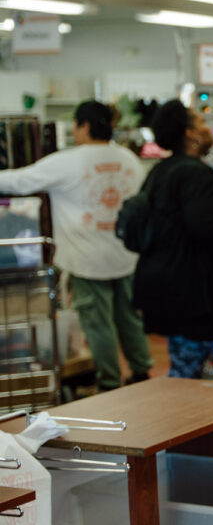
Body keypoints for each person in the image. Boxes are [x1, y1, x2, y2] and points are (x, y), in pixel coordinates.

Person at [0, 100, 152, 390]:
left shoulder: (68, 161)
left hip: (86, 259)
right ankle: (141, 371)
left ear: (84, 126)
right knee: (129, 318)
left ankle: (109, 383)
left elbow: (21, 181)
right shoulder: (129, 160)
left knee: (98, 324)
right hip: (126, 256)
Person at [132, 100, 213, 382]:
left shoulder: (160, 173)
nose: (209, 130)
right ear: (190, 134)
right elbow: (207, 226)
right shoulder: (195, 174)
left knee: (184, 380)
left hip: (177, 296)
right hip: (211, 299)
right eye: (202, 123)